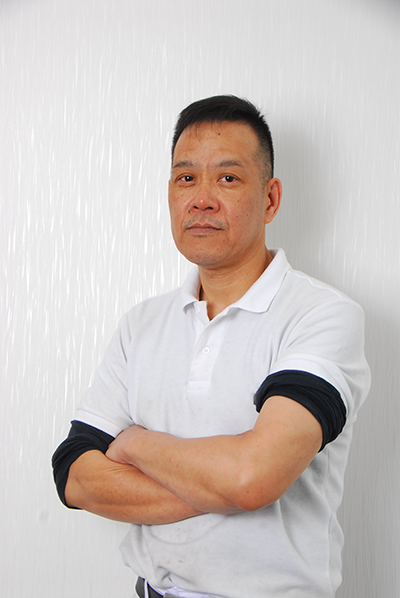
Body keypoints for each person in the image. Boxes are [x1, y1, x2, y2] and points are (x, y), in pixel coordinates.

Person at [52, 95, 370, 598]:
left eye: (227, 178)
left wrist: (134, 444)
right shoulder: (141, 325)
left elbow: (251, 479)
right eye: (186, 178)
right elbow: (74, 475)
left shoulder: (322, 315)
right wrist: (221, 483)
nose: (201, 199)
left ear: (270, 199)